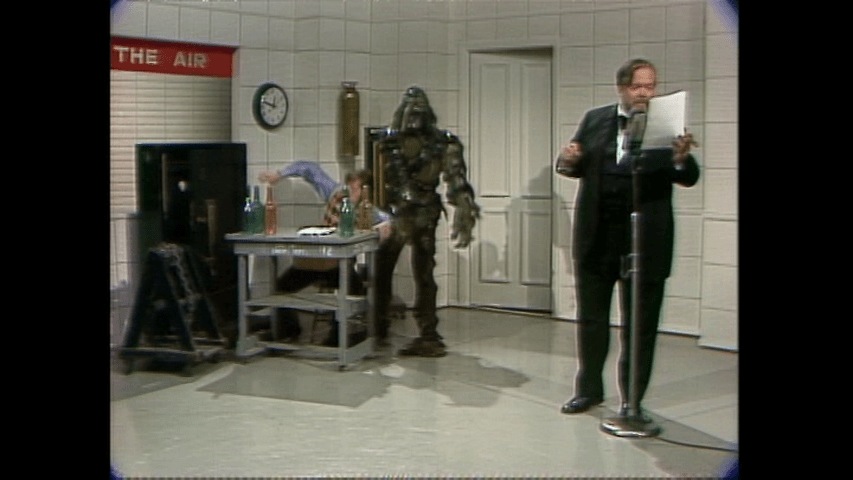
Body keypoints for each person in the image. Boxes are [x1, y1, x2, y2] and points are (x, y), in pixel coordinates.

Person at [555, 58, 700, 419]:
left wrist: (681, 159)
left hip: (646, 240)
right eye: (637, 86)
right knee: (591, 319)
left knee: (640, 326)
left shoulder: (667, 125)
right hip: (598, 236)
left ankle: (632, 400)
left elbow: (688, 176)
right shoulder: (594, 119)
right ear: (621, 88)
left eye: (650, 86)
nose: (644, 93)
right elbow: (573, 166)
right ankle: (588, 390)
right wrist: (568, 158)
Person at [373, 86, 480, 357]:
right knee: (385, 269)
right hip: (398, 214)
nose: (414, 118)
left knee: (422, 273)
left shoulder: (442, 143)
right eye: (410, 111)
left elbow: (456, 181)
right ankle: (381, 326)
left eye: (418, 111)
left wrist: (464, 210)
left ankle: (427, 334)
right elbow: (381, 182)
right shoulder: (390, 142)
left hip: (421, 214)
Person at [257, 161, 392, 342]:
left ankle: (339, 337)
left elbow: (387, 221)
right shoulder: (335, 192)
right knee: (281, 287)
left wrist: (382, 229)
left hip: (340, 265)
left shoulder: (369, 210)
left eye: (355, 188)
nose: (350, 191)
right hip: (318, 261)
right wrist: (280, 174)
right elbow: (309, 169)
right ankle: (288, 329)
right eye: (349, 186)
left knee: (353, 291)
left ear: (365, 190)